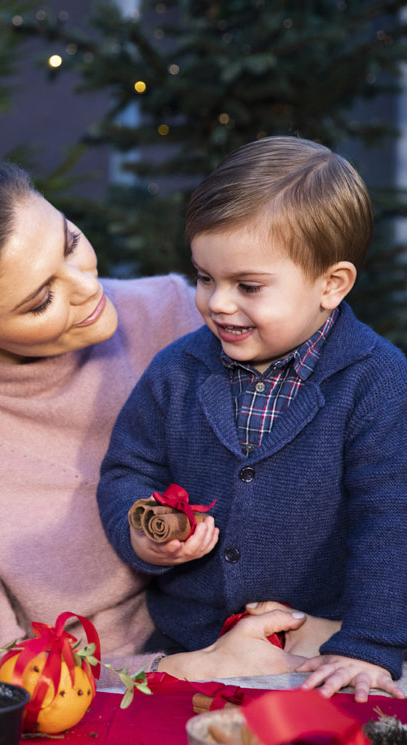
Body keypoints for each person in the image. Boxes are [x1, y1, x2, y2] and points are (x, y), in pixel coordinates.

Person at [0, 159, 333, 684]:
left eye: (70, 243)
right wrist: (188, 669)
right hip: (106, 694)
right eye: (42, 299)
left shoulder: (181, 314)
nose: (87, 288)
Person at [97, 136, 407, 701]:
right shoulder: (178, 370)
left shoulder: (376, 381)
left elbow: (390, 522)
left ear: (330, 285)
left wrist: (368, 646)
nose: (217, 302)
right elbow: (127, 469)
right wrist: (144, 531)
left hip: (322, 650)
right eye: (205, 277)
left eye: (248, 286)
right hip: (193, 645)